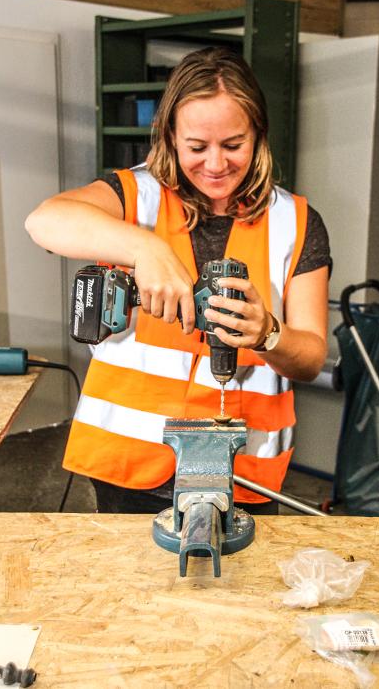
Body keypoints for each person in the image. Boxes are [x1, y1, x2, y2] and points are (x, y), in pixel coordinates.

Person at [25, 46, 331, 515]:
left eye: (233, 145)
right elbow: (44, 221)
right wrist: (145, 249)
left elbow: (310, 358)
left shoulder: (295, 221)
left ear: (259, 135)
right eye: (196, 147)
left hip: (243, 471)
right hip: (128, 463)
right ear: (170, 136)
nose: (215, 165)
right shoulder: (136, 197)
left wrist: (268, 333)